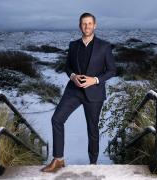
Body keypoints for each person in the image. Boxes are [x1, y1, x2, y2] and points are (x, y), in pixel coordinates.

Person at [40, 12, 116, 173]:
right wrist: (73, 76)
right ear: (79, 25)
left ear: (95, 25)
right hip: (73, 91)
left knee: (92, 129)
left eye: (89, 23)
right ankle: (58, 159)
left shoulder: (104, 46)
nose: (86, 26)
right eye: (83, 23)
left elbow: (111, 71)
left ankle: (93, 164)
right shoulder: (73, 45)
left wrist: (94, 80)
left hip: (94, 92)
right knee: (57, 119)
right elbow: (67, 67)